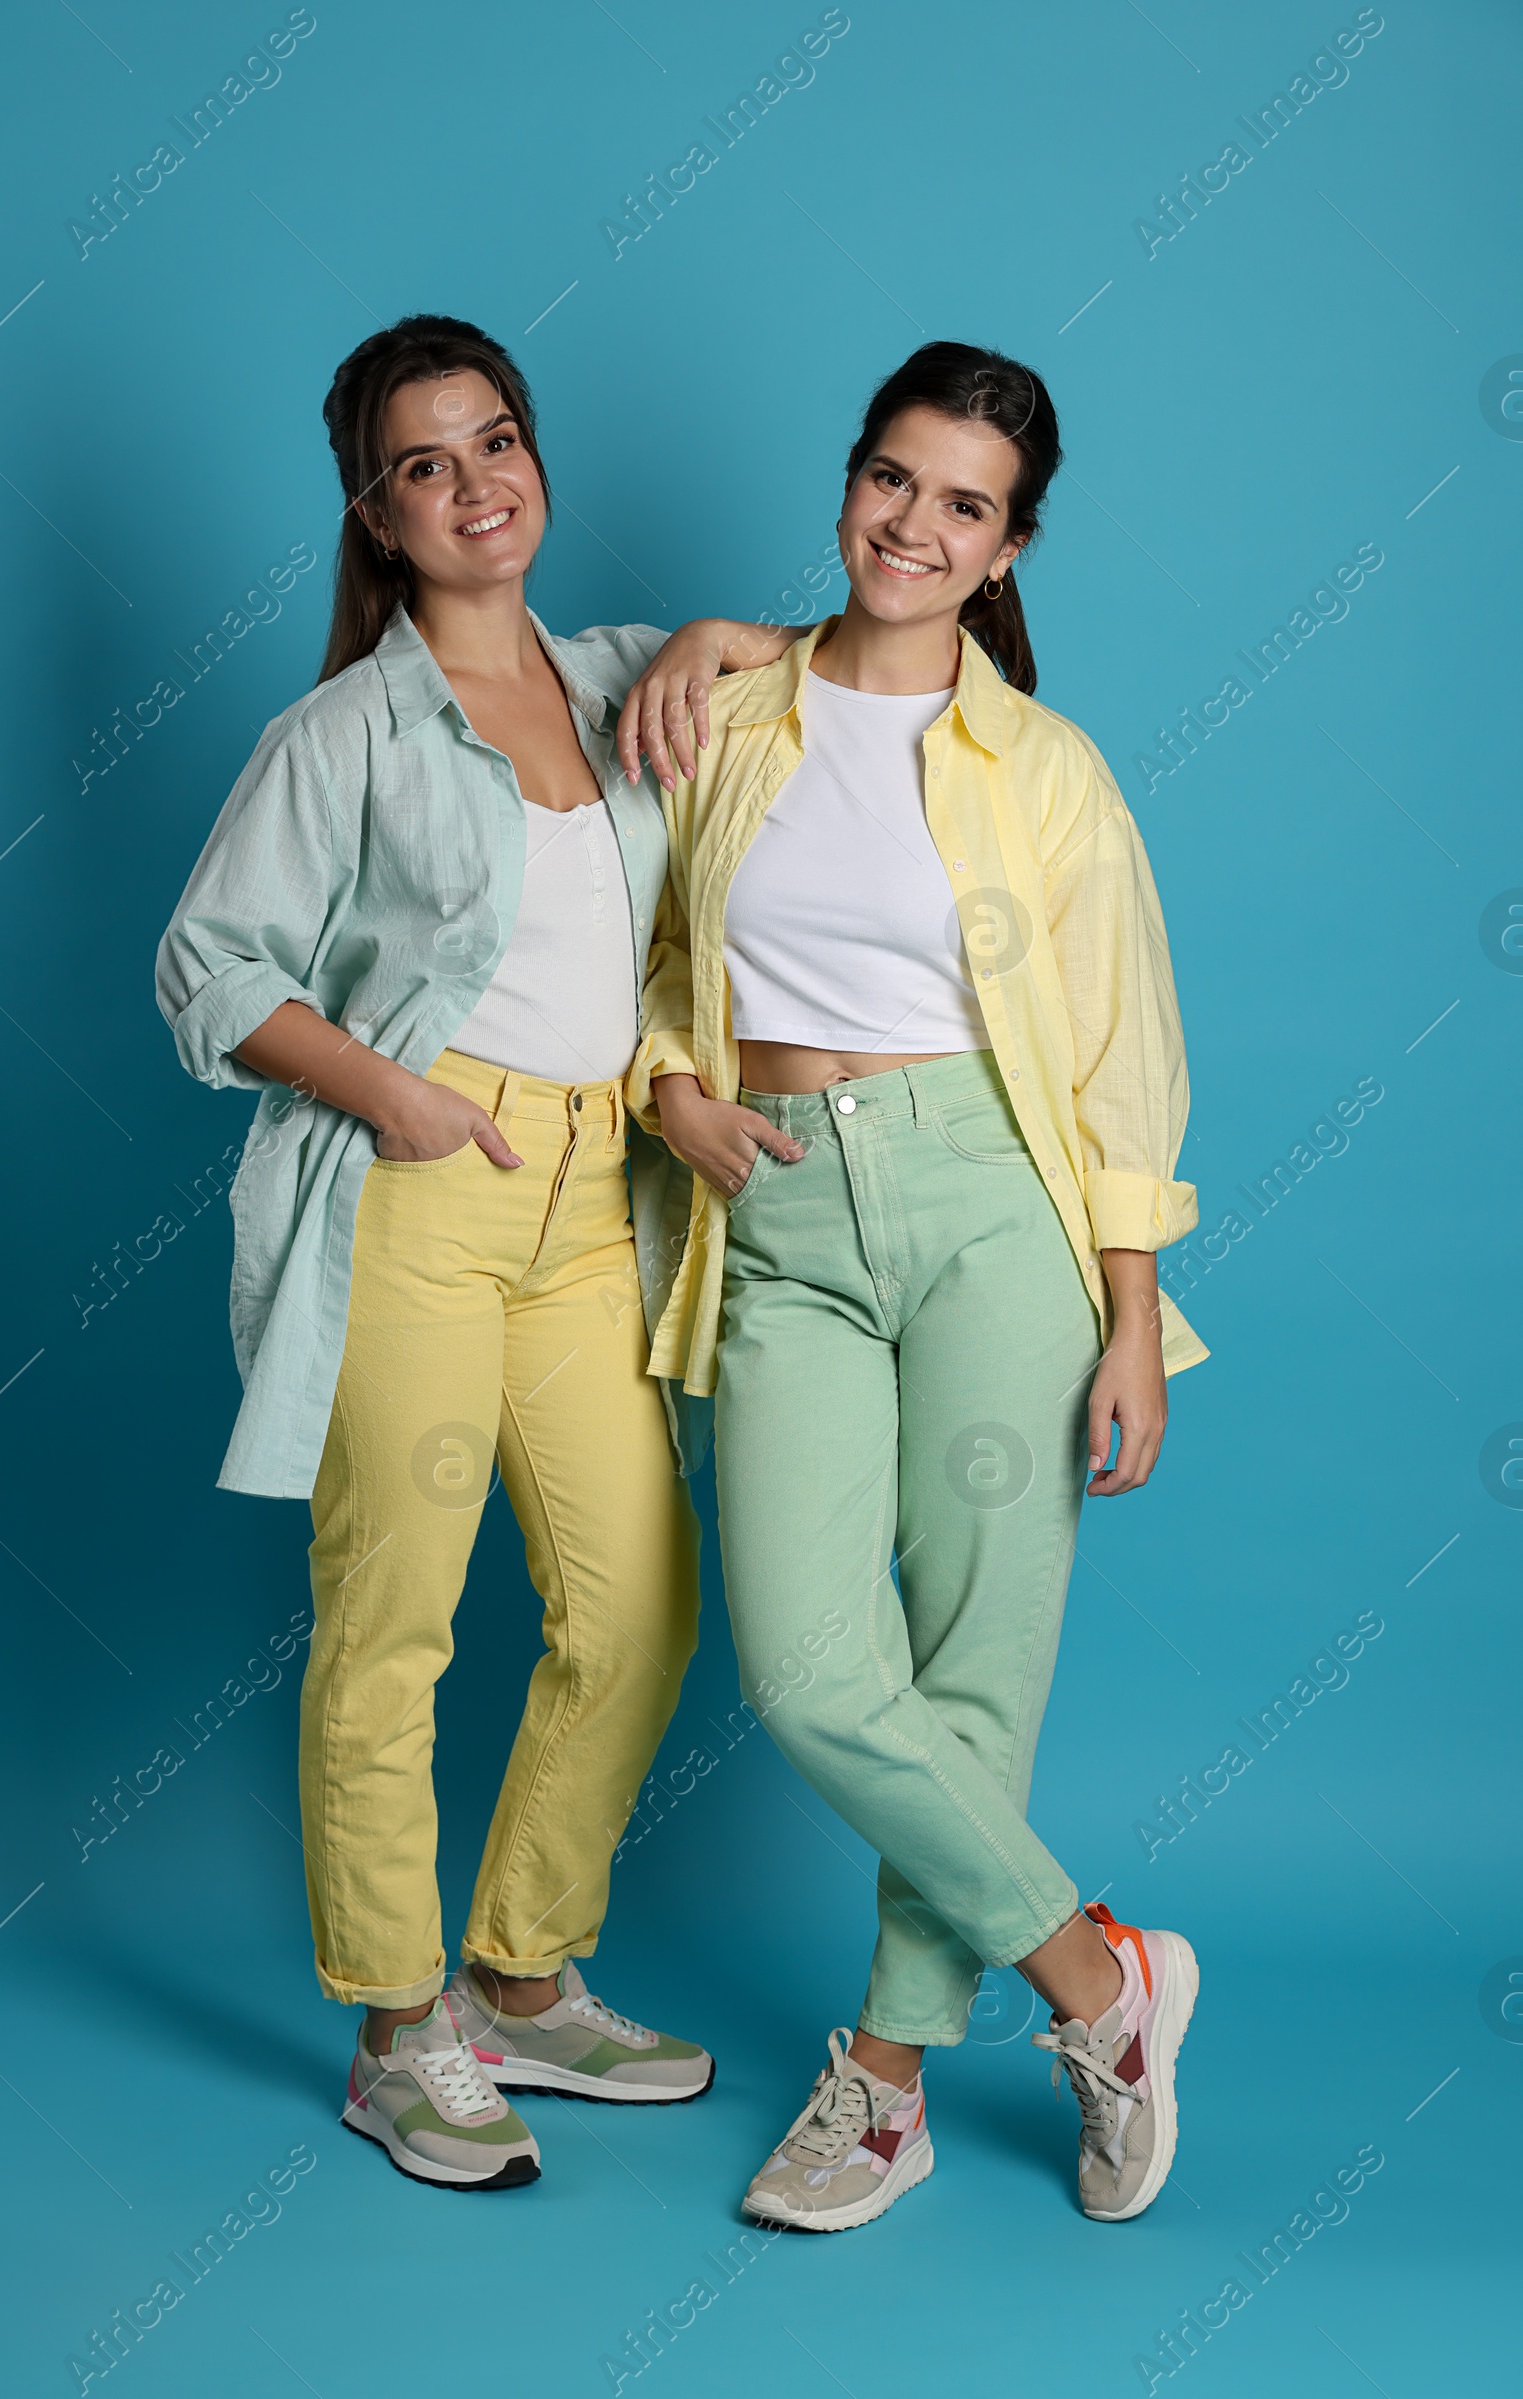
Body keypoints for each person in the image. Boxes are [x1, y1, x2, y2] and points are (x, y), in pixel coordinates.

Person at [156, 313, 793, 2192]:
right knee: (397, 1620)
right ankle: (391, 2027)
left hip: (596, 1198)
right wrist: (400, 1099)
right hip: (424, 1190)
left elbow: (820, 653)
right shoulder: (343, 729)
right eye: (426, 463)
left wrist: (694, 642)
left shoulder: (619, 680)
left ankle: (522, 1973)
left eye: (495, 440)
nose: (475, 484)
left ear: (536, 456)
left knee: (636, 1603)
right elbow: (208, 969)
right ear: (377, 510)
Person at [619, 341, 1207, 2231]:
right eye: (894, 478)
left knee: (971, 1670)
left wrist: (1129, 1312)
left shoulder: (1046, 768)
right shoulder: (726, 706)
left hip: (993, 1214)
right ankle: (1107, 1986)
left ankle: (880, 2088)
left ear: (1011, 543)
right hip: (779, 1211)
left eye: (966, 504)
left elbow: (1121, 1051)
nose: (916, 524)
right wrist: (673, 1090)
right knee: (803, 1664)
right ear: (850, 481)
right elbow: (636, 950)